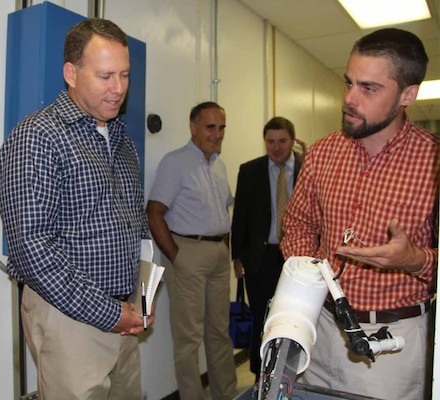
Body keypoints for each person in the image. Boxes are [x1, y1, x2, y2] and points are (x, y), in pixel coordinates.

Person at [281, 28, 438, 400]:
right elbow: (298, 222)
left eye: (368, 88)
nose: (349, 99)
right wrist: (310, 271)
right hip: (319, 332)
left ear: (407, 95)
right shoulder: (322, 153)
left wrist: (415, 259)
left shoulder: (433, 162)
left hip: (391, 347)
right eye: (348, 82)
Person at [0, 18, 151, 400]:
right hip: (68, 319)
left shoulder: (121, 139)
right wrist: (108, 313)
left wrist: (141, 299)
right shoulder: (38, 136)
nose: (119, 89)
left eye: (125, 75)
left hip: (123, 311)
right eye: (105, 76)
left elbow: (137, 224)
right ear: (71, 73)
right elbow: (32, 247)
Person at [146, 101, 237, 400]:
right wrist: (176, 255)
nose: (217, 133)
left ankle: (226, 394)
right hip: (188, 253)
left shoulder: (219, 165)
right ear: (193, 127)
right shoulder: (176, 162)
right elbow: (155, 211)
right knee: (189, 339)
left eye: (221, 127)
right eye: (211, 127)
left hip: (218, 254)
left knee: (220, 334)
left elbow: (224, 208)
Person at [230, 116, 303, 378]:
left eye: (282, 141)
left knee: (295, 317)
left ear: (292, 140)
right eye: (270, 142)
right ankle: (261, 375)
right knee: (262, 316)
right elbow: (240, 217)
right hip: (262, 257)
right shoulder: (250, 171)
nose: (276, 147)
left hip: (298, 260)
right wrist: (237, 257)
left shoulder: (309, 168)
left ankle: (293, 373)